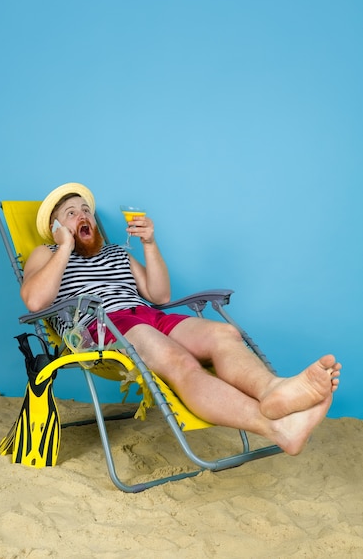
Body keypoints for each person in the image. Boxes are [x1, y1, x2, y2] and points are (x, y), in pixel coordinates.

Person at [21, 182, 341, 456]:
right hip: (101, 326)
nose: (83, 215)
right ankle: (277, 428)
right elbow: (35, 301)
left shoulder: (118, 253)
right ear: (56, 227)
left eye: (86, 209)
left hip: (147, 316)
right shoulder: (47, 253)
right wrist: (64, 247)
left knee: (224, 334)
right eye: (71, 213)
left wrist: (149, 243)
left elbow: (159, 296)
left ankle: (273, 390)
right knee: (180, 361)